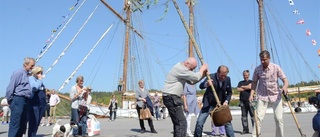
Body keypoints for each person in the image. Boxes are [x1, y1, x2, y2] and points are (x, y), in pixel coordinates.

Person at [162, 57, 208, 137]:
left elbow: (192, 81)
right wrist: (203, 68)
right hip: (171, 97)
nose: (192, 70)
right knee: (181, 123)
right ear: (187, 63)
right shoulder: (180, 69)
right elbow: (195, 77)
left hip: (171, 98)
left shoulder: (182, 69)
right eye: (192, 68)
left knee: (178, 123)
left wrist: (203, 75)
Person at [249, 50, 289, 137]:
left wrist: (285, 87)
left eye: (265, 60)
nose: (263, 62)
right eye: (261, 60)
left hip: (275, 95)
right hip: (262, 96)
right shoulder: (257, 69)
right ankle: (255, 135)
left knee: (279, 119)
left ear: (269, 59)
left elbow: (285, 80)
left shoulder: (276, 67)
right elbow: (254, 82)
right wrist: (251, 94)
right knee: (258, 118)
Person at [194, 65, 235, 137]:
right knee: (199, 122)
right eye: (222, 75)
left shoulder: (227, 79)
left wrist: (226, 101)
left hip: (220, 105)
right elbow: (201, 86)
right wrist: (207, 84)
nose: (223, 78)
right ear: (218, 73)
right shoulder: (210, 77)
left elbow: (229, 92)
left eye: (225, 76)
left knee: (227, 123)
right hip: (208, 104)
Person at [6, 57, 35, 137]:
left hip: (25, 100)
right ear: (25, 64)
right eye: (31, 66)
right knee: (15, 123)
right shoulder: (19, 73)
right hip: (18, 98)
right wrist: (10, 99)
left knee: (22, 124)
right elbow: (11, 87)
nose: (32, 68)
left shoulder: (27, 75)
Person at [28, 65, 47, 137]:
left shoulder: (40, 81)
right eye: (40, 73)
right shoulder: (31, 78)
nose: (41, 75)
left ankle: (34, 134)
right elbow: (34, 87)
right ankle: (31, 135)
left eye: (41, 73)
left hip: (41, 103)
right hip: (34, 102)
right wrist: (39, 80)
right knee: (34, 121)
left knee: (38, 121)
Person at [237, 70, 254, 134]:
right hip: (242, 102)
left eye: (246, 75)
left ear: (249, 75)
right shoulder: (240, 82)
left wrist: (243, 87)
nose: (245, 76)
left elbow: (251, 87)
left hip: (250, 101)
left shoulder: (251, 82)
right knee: (244, 116)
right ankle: (245, 129)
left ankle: (255, 129)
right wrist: (247, 87)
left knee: (253, 116)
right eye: (244, 75)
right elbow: (238, 89)